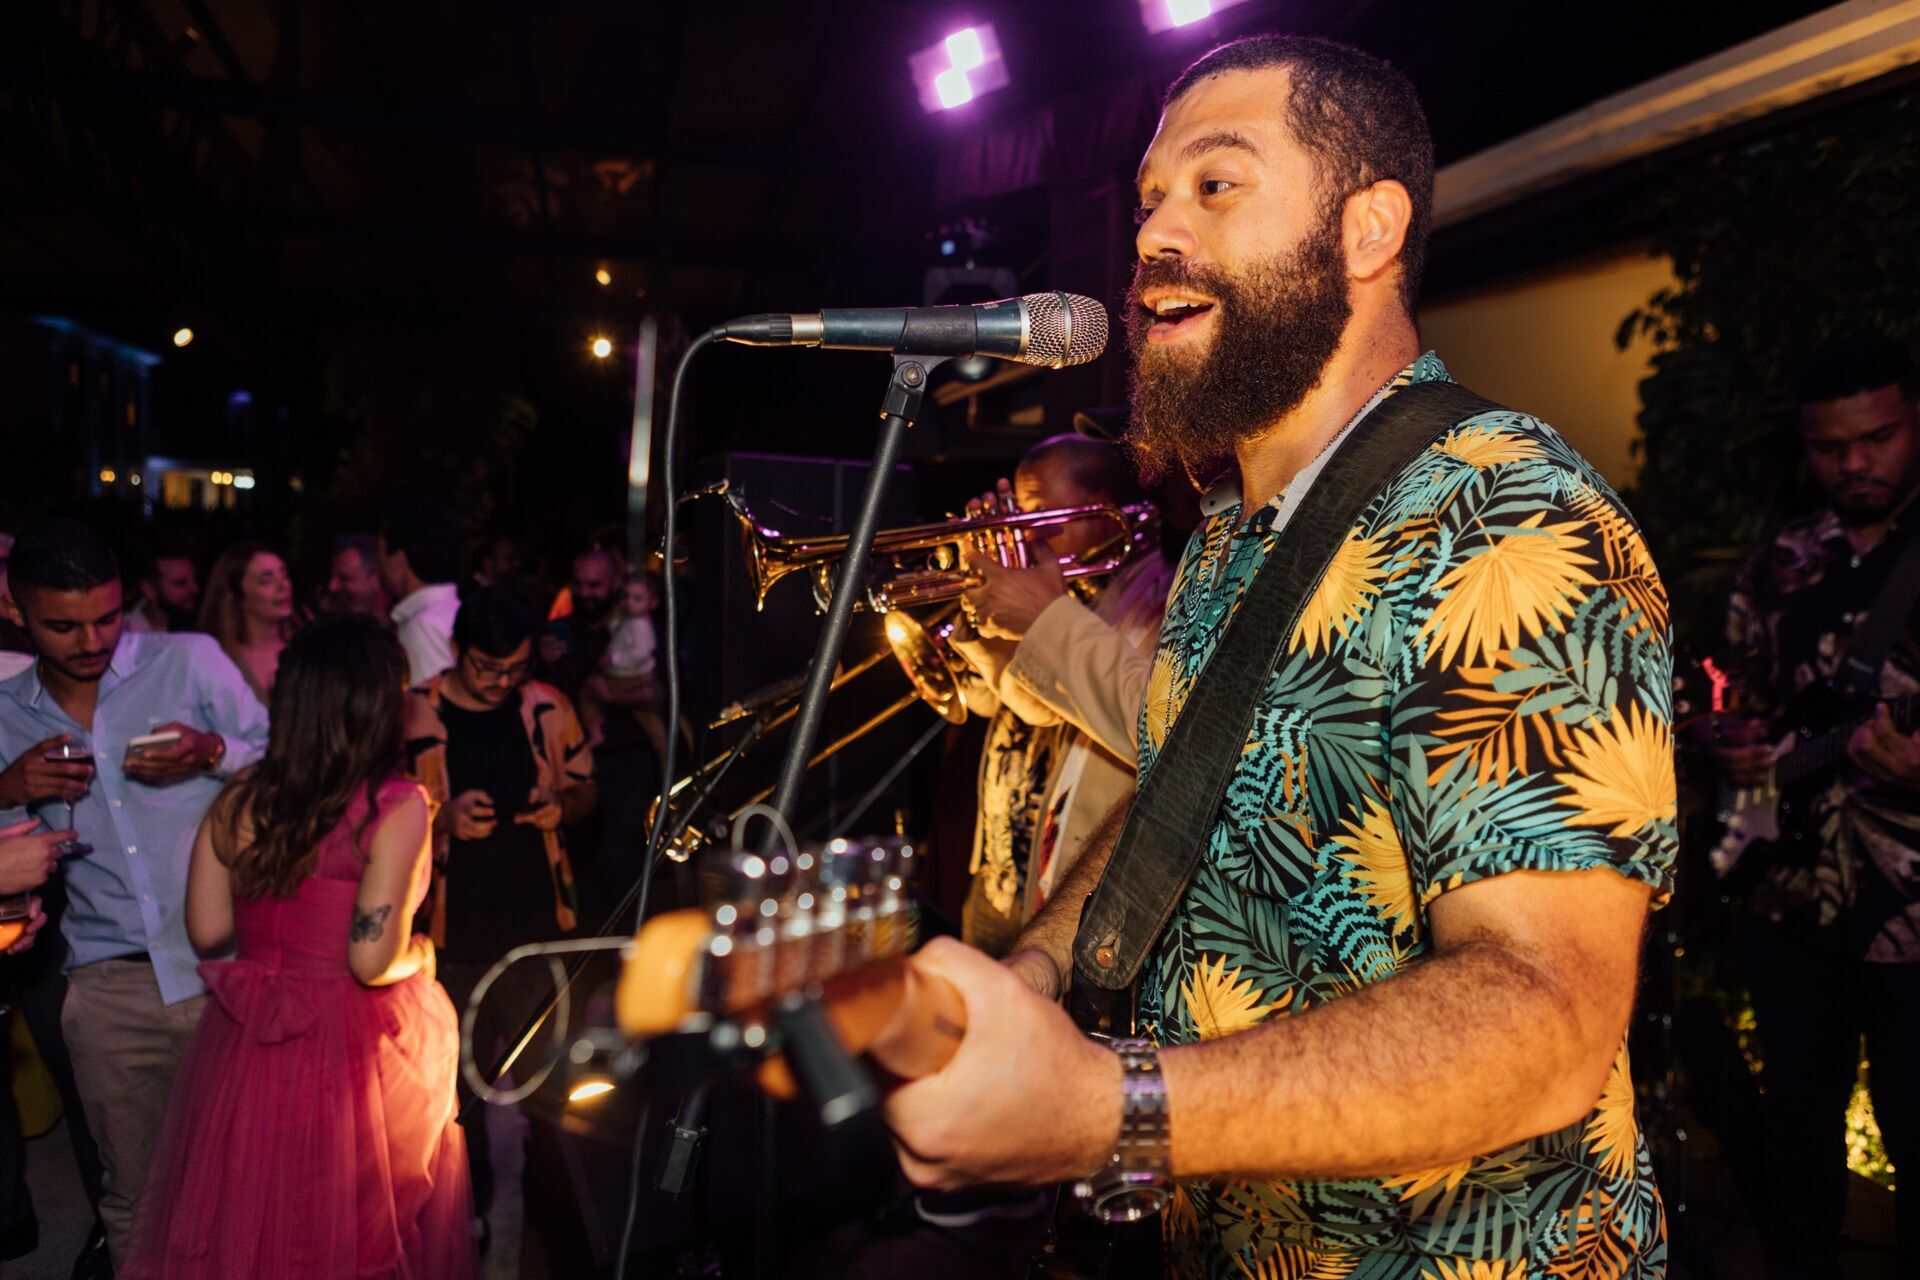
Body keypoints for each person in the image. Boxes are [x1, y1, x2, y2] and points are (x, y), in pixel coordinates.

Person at [883, 36, 1674, 1279]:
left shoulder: (1509, 517)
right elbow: (1182, 789)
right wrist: (1032, 972)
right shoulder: (1230, 537)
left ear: (1368, 229)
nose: (1152, 236)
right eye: (1149, 200)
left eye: (1217, 184)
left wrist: (1111, 1108)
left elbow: (1548, 1010)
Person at [121, 616, 478, 1279]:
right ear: (378, 706)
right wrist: (421, 955)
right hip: (350, 1052)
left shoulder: (239, 797)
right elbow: (370, 961)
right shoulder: (396, 805)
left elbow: (207, 930)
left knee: (255, 1223)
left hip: (246, 1046)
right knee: (352, 1234)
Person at [0, 518, 269, 1267]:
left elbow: (288, 763)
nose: (92, 640)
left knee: (253, 1176)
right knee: (136, 1192)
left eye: (108, 617)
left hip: (228, 968)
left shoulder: (188, 660)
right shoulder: (4, 711)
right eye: (63, 624)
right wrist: (7, 788)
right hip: (108, 985)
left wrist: (212, 751)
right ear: (17, 610)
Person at [1714, 336, 1920, 1278]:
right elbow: (1734, 688)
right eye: (1831, 446)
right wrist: (1731, 737)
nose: (1854, 463)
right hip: (1787, 892)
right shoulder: (1782, 558)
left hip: (1911, 907)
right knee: (1797, 1122)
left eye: (1875, 439)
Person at [403, 586, 595, 1252]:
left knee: (554, 1081)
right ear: (458, 651)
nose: (502, 682)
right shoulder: (417, 710)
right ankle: (473, 1219)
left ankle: (558, 1223)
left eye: (514, 669)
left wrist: (562, 805)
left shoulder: (545, 704)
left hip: (541, 924)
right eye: (489, 668)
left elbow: (586, 788)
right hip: (455, 932)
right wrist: (444, 819)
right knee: (463, 1091)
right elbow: (382, 814)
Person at [948, 437, 1173, 955]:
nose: (1032, 539)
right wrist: (990, 618)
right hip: (1029, 870)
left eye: (1047, 522)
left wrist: (1041, 614)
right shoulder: (1100, 596)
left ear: (1103, 510)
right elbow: (1039, 710)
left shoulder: (1161, 588)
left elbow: (1159, 728)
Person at [198, 542, 298, 703]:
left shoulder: (304, 649)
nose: (283, 586)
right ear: (236, 595)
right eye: (266, 580)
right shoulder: (216, 661)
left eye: (285, 575)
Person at [581, 570, 666, 755]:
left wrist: (613, 659)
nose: (629, 602)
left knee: (589, 689)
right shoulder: (630, 619)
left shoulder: (643, 627)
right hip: (622, 674)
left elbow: (640, 653)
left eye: (637, 598)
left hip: (629, 675)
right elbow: (616, 632)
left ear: (653, 603)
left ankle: (595, 730)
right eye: (626, 597)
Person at [379, 499, 464, 686]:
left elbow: (432, 709)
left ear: (398, 561)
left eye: (381, 555)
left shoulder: (422, 629)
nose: (379, 567)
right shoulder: (449, 610)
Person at [122, 551, 200, 636]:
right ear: (149, 589)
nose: (195, 589)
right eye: (180, 583)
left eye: (194, 580)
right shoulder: (126, 636)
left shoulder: (195, 627)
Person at [325, 533, 392, 620]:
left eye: (344, 578)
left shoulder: (406, 626)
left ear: (375, 579)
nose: (332, 587)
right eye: (332, 578)